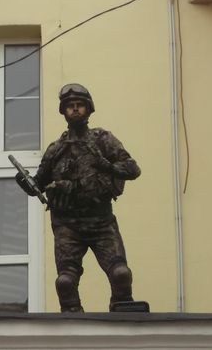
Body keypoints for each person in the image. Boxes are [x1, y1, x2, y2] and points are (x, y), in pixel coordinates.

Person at [16, 83, 141, 312]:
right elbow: (38, 185)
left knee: (121, 274)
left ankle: (123, 311)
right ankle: (71, 318)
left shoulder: (103, 140)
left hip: (101, 221)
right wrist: (25, 182)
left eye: (79, 105)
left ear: (89, 109)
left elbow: (133, 169)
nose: (75, 109)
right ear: (63, 111)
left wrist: (106, 165)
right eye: (70, 106)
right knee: (65, 282)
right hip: (67, 225)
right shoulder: (55, 150)